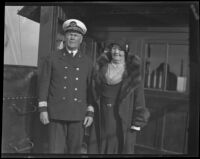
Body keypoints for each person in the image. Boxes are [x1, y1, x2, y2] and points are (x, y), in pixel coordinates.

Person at [38, 19, 95, 154]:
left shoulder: (87, 61)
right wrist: (43, 110)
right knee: (55, 151)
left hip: (77, 114)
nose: (72, 37)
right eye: (69, 34)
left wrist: (90, 112)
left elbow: (90, 89)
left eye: (75, 35)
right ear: (65, 37)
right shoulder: (52, 57)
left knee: (74, 152)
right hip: (56, 113)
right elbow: (44, 84)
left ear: (81, 39)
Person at [88, 42, 150, 154]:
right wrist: (90, 110)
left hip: (122, 118)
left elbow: (139, 99)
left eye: (120, 49)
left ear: (126, 52)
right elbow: (93, 93)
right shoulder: (100, 69)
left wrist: (138, 119)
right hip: (102, 116)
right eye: (114, 49)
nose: (116, 52)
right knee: (99, 147)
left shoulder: (133, 72)